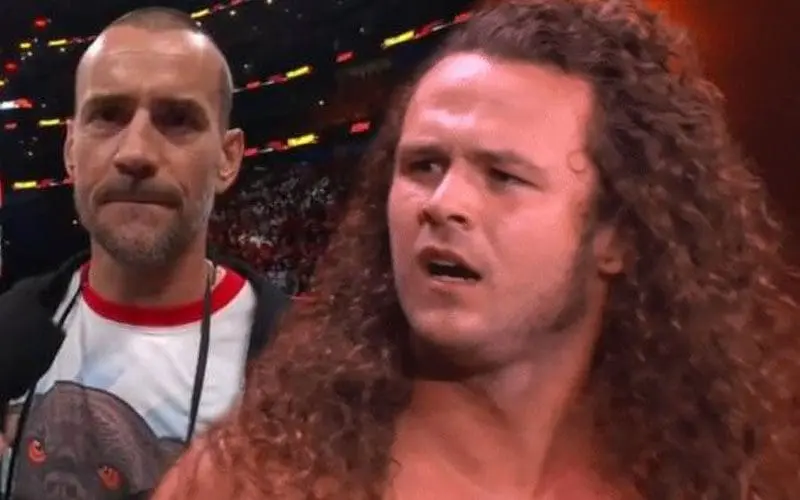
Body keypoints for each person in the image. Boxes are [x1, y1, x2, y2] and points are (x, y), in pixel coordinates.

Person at [156, 0, 800, 498]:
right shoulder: (255, 480)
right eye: (424, 166)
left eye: (503, 176)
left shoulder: (718, 474)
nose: (444, 202)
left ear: (616, 236)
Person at [0, 6, 288, 499]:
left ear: (227, 158)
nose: (135, 152)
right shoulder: (12, 326)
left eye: (177, 120)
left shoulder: (299, 364)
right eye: (107, 116)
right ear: (70, 149)